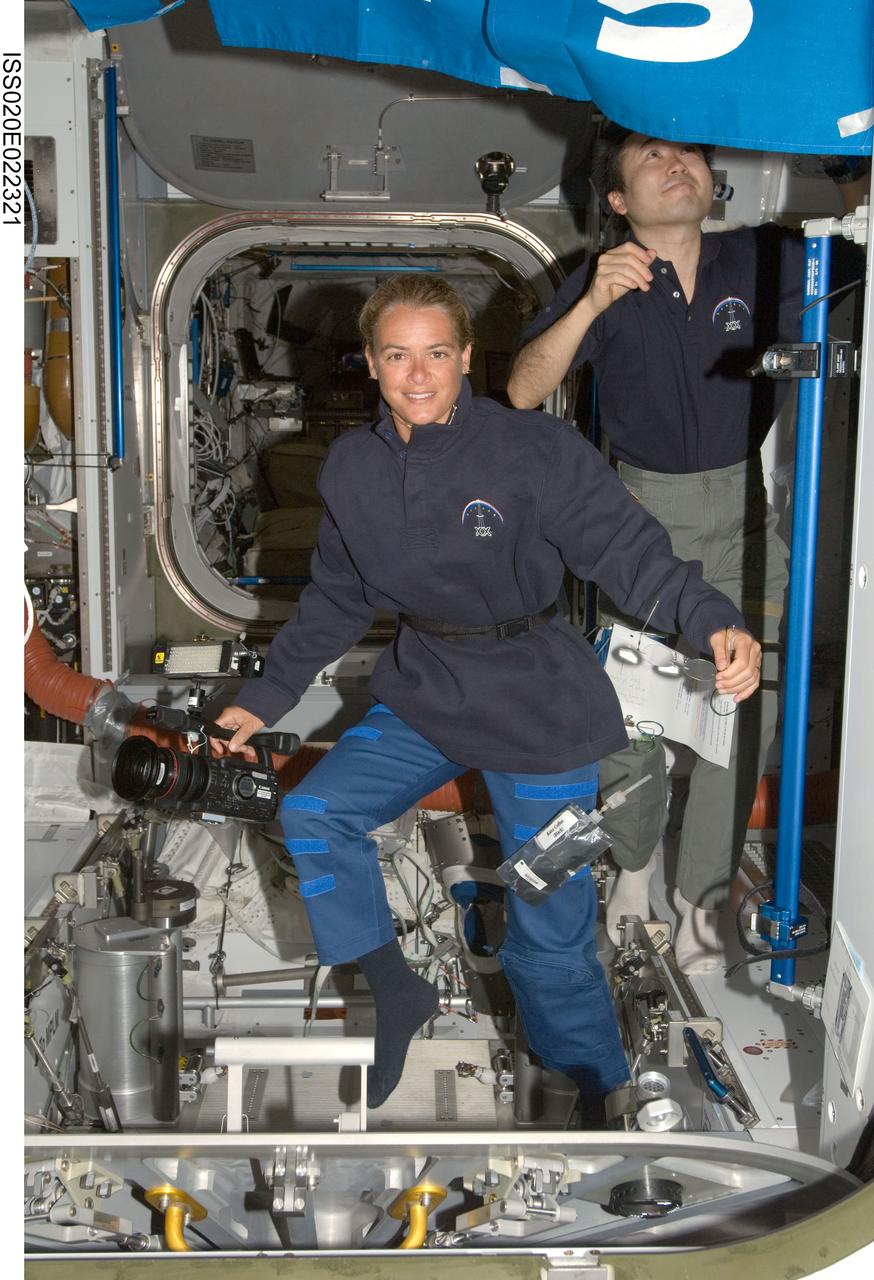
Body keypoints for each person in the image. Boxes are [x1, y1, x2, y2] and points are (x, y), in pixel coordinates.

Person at [212, 274, 761, 1120]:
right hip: (427, 688)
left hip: (539, 700)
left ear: (468, 357)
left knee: (549, 925)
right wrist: (266, 695)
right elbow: (338, 596)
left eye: (438, 353)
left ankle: (593, 1082)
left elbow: (627, 550)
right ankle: (399, 995)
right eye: (398, 355)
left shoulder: (529, 449)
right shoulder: (352, 467)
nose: (419, 374)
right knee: (315, 813)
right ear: (370, 363)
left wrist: (710, 617)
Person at [506, 124, 868, 971]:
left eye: (693, 154)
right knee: (631, 713)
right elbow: (523, 390)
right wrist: (593, 302)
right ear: (621, 201)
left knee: (745, 699)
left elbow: (860, 237)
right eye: (653, 158)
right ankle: (633, 872)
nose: (681, 165)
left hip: (746, 507)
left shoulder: (765, 259)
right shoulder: (601, 279)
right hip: (640, 515)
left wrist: (851, 162)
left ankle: (701, 895)